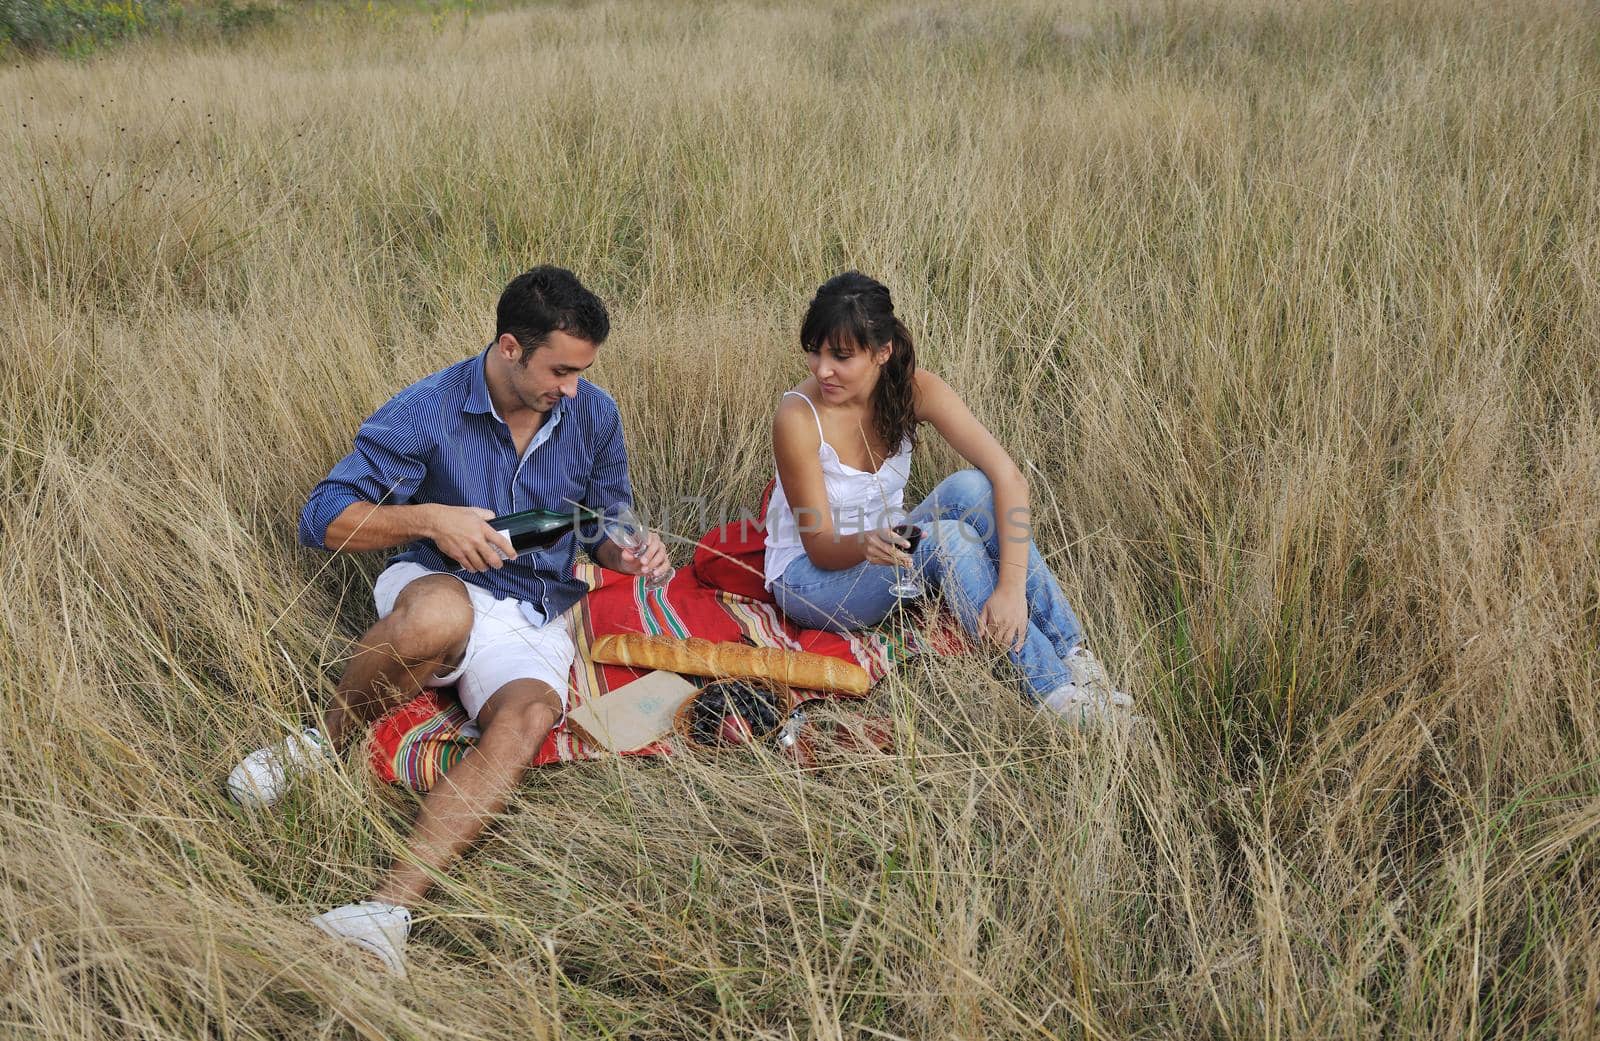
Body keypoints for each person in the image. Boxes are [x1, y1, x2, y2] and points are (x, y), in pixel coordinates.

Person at [227, 266, 669, 977]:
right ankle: (320, 741)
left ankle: (382, 914)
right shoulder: (429, 407)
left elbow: (604, 522)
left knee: (528, 719)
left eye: (583, 370)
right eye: (560, 369)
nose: (573, 387)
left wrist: (631, 547)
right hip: (437, 581)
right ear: (509, 348)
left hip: (536, 608)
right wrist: (433, 517)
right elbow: (321, 517)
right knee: (438, 613)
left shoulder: (595, 413)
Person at [763, 272, 1133, 722]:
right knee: (942, 538)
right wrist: (865, 543)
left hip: (888, 546)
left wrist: (1011, 590)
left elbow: (1009, 477)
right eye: (815, 351)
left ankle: (1076, 658)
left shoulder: (915, 390)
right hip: (809, 577)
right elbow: (818, 544)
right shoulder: (797, 417)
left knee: (972, 487)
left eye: (841, 356)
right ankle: (1055, 695)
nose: (823, 369)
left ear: (883, 353)